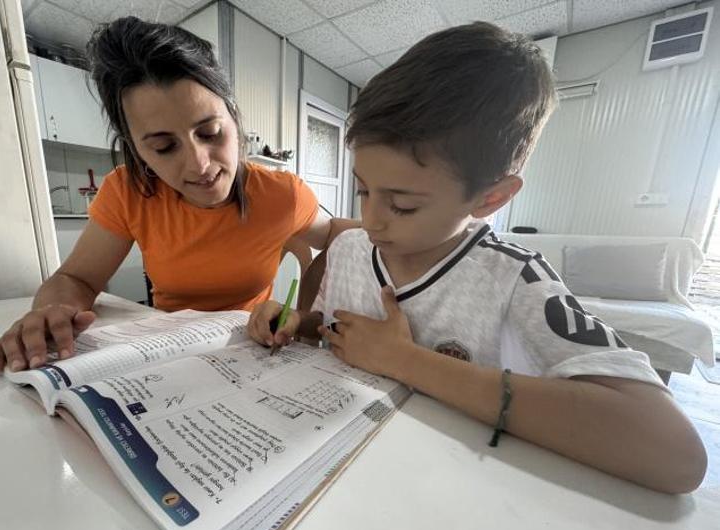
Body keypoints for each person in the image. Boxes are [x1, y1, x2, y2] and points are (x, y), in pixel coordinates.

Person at [248, 22, 707, 494]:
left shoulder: (515, 278)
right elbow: (330, 328)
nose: (372, 220)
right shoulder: (348, 248)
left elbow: (676, 454)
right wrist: (295, 322)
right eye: (364, 190)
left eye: (402, 205)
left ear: (491, 198)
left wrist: (407, 361)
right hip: (338, 474)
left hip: (447, 491)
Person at [0, 17, 355, 375]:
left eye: (210, 132)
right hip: (168, 354)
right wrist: (51, 311)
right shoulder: (129, 191)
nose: (199, 164)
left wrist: (389, 212)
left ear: (234, 117)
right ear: (137, 150)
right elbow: (77, 279)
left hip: (253, 353)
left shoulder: (282, 194)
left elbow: (339, 232)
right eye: (164, 147)